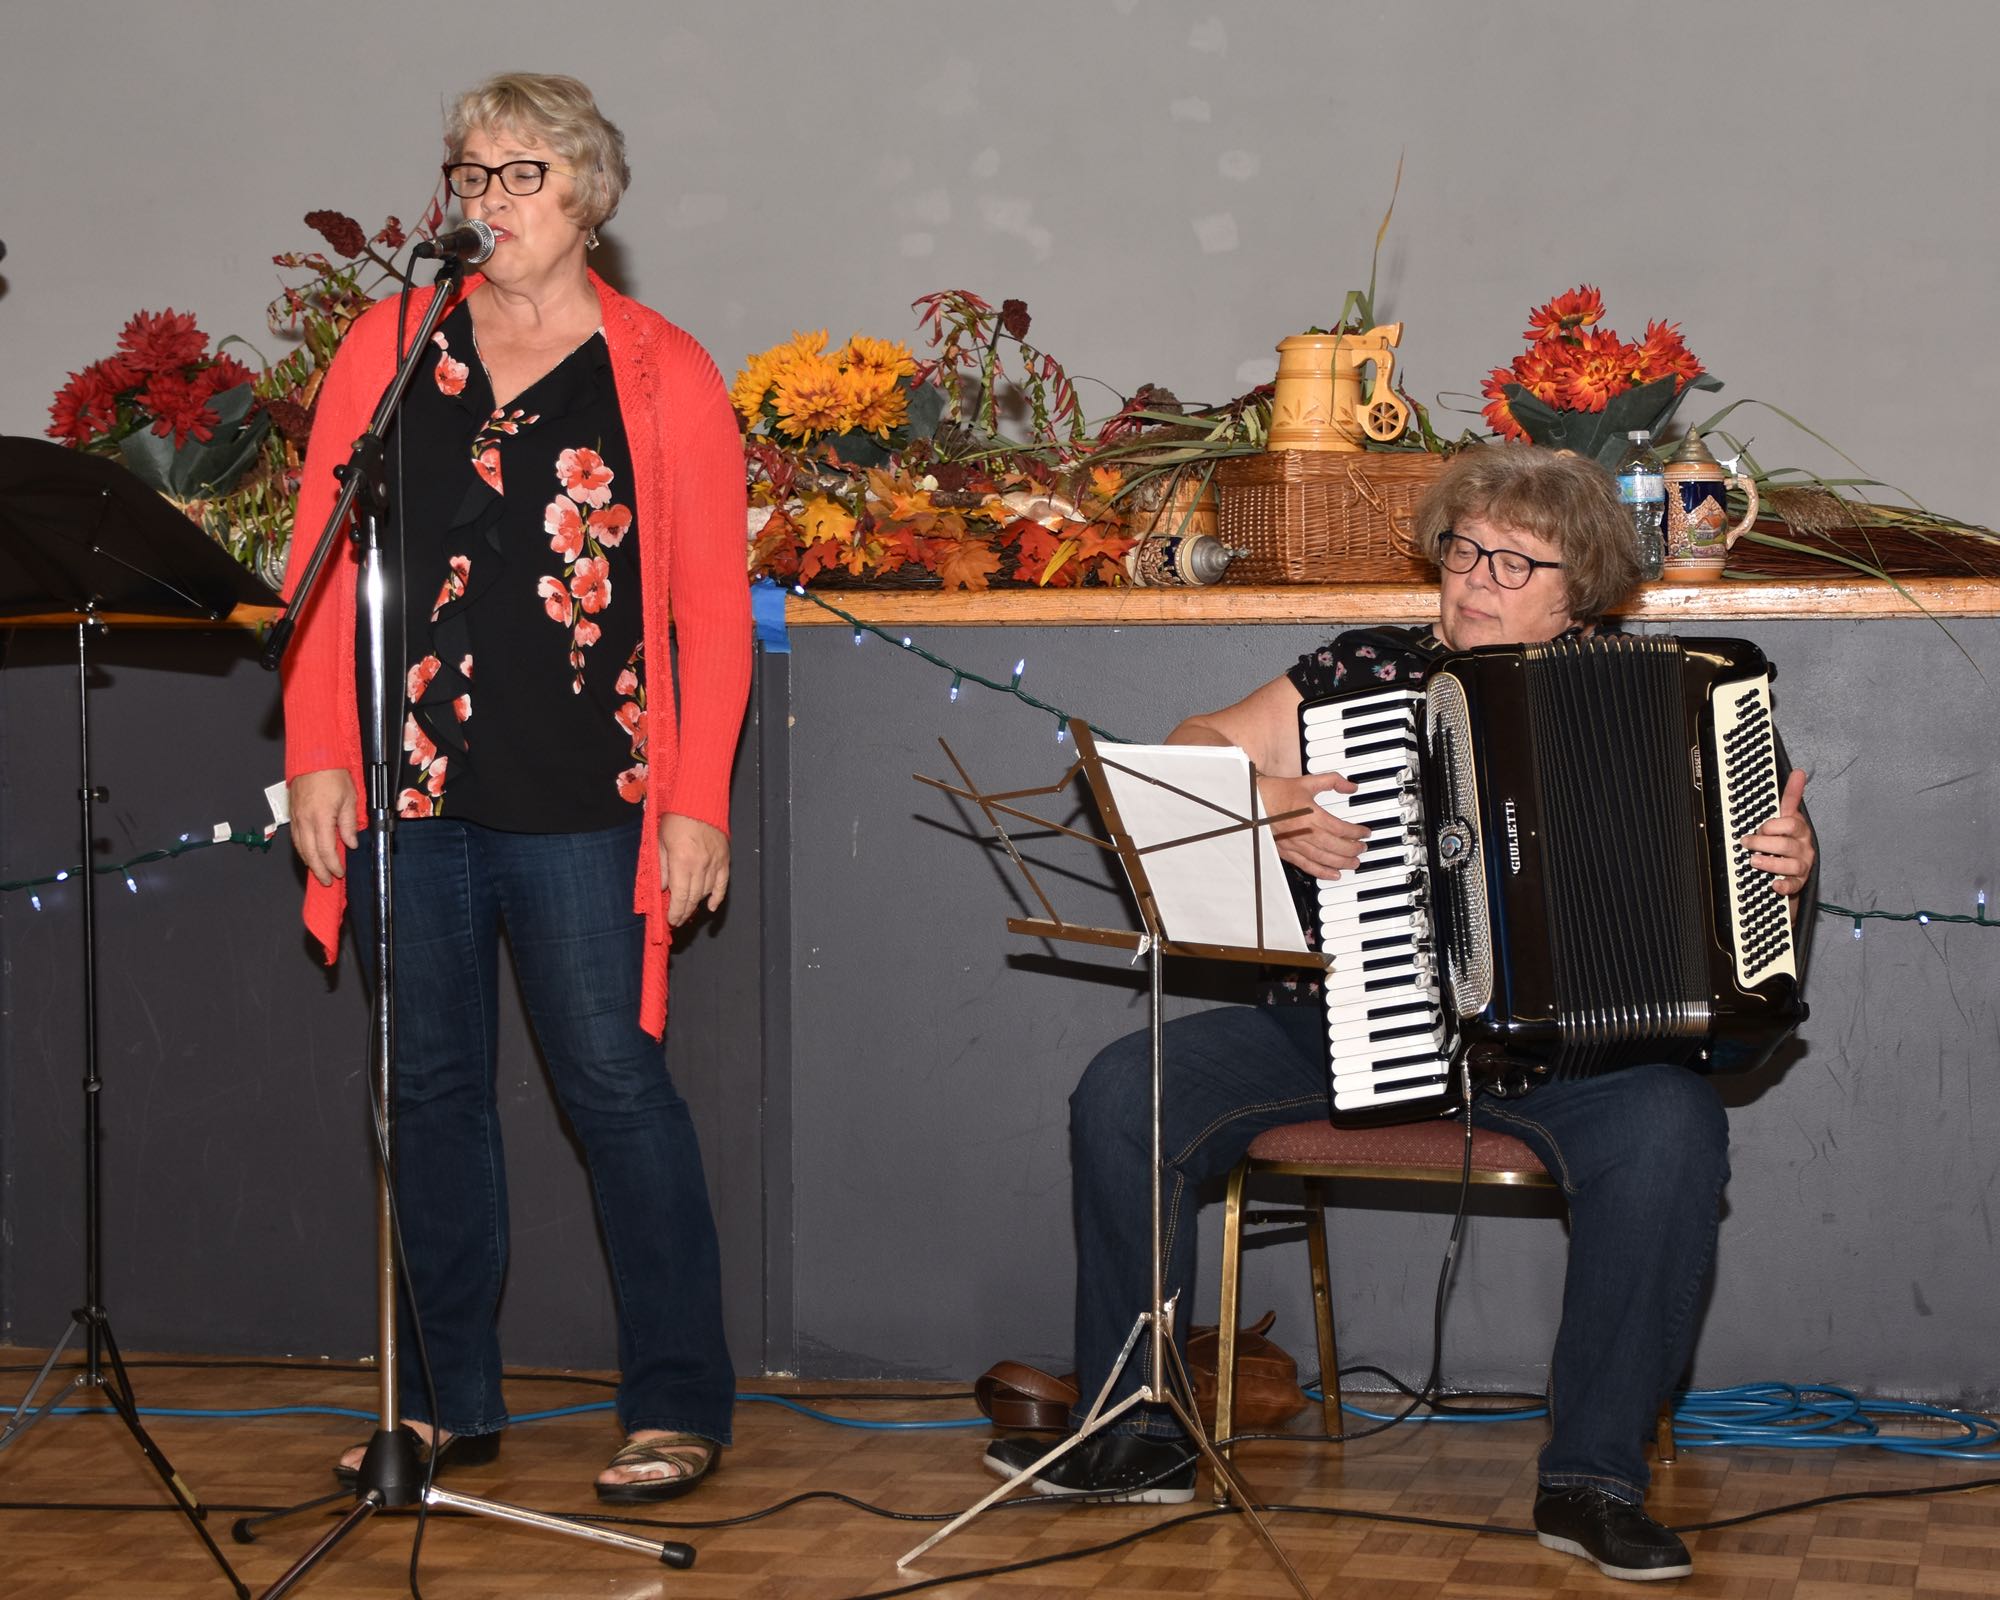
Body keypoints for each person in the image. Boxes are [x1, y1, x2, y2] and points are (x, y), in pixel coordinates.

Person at [984, 446, 1818, 1581]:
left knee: (1672, 1129)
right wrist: (1268, 801)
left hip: (1572, 1061)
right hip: (1337, 1018)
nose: (1473, 578)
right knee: (1127, 1088)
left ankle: (1591, 1481)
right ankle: (1137, 1434)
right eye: (1462, 550)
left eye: (1513, 563)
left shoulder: (1669, 695)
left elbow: (1744, 876)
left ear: (1580, 586)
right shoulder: (1361, 669)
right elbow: (1190, 747)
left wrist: (1785, 860)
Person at [282, 72, 750, 1503]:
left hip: (590, 789)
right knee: (425, 1096)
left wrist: (697, 801)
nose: (487, 201)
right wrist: (313, 750)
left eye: (521, 174)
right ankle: (437, 1406)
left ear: (591, 194)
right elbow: (322, 561)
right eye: (469, 175)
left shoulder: (662, 369)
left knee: (616, 1089)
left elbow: (711, 618)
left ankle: (676, 1403)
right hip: (412, 786)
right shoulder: (386, 347)